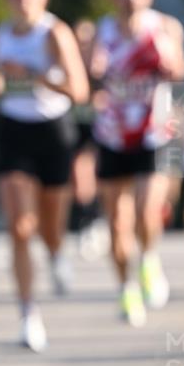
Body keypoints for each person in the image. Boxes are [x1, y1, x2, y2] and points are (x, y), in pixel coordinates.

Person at [0, 0, 89, 351]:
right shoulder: (2, 32)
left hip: (53, 132)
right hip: (14, 130)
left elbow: (79, 90)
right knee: (19, 226)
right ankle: (28, 314)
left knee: (51, 225)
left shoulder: (55, 33)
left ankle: (57, 253)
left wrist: (34, 76)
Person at [92, 0, 184, 327]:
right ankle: (126, 289)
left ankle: (148, 259)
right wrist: (95, 71)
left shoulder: (164, 27)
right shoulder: (100, 32)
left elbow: (180, 71)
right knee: (117, 224)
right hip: (112, 133)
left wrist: (167, 60)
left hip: (152, 131)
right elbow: (88, 78)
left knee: (148, 211)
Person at [70, 19, 105, 260]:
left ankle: (95, 221)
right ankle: (86, 222)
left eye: (87, 41)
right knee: (78, 179)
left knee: (92, 176)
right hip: (75, 129)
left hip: (101, 130)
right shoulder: (67, 66)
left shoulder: (103, 67)